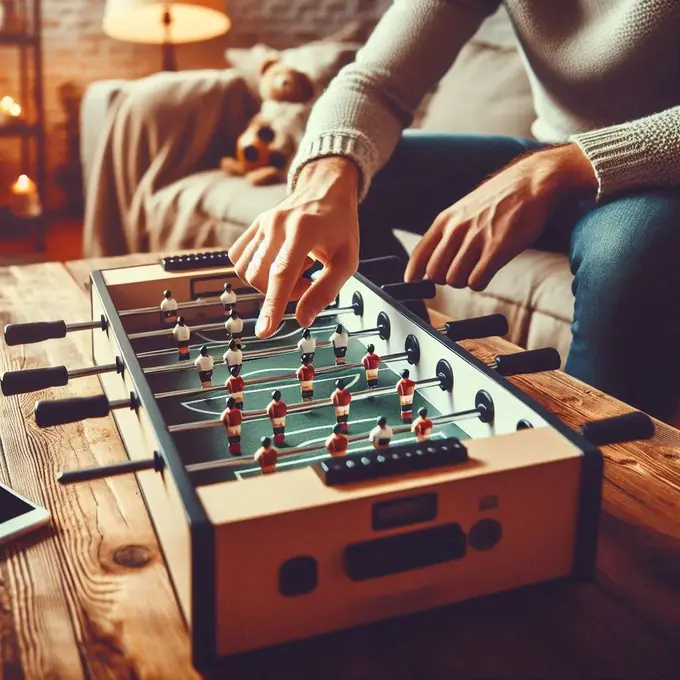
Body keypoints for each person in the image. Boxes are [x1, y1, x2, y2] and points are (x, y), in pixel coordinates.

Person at [227, 0, 680, 423]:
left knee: (629, 251)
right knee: (355, 179)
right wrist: (324, 177)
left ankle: (592, 481)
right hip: (553, 154)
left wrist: (554, 168)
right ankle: (415, 400)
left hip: (664, 181)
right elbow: (377, 81)